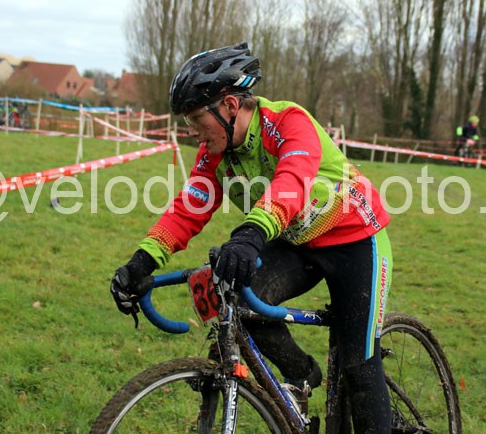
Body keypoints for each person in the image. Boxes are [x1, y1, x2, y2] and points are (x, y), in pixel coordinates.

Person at [110, 42, 393, 432]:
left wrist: (250, 234)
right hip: (297, 244)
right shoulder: (215, 152)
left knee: (359, 366)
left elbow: (292, 182)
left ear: (229, 106)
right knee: (243, 302)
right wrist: (140, 262)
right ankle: (302, 375)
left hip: (355, 241)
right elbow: (188, 208)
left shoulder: (289, 122)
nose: (193, 132)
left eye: (196, 119)